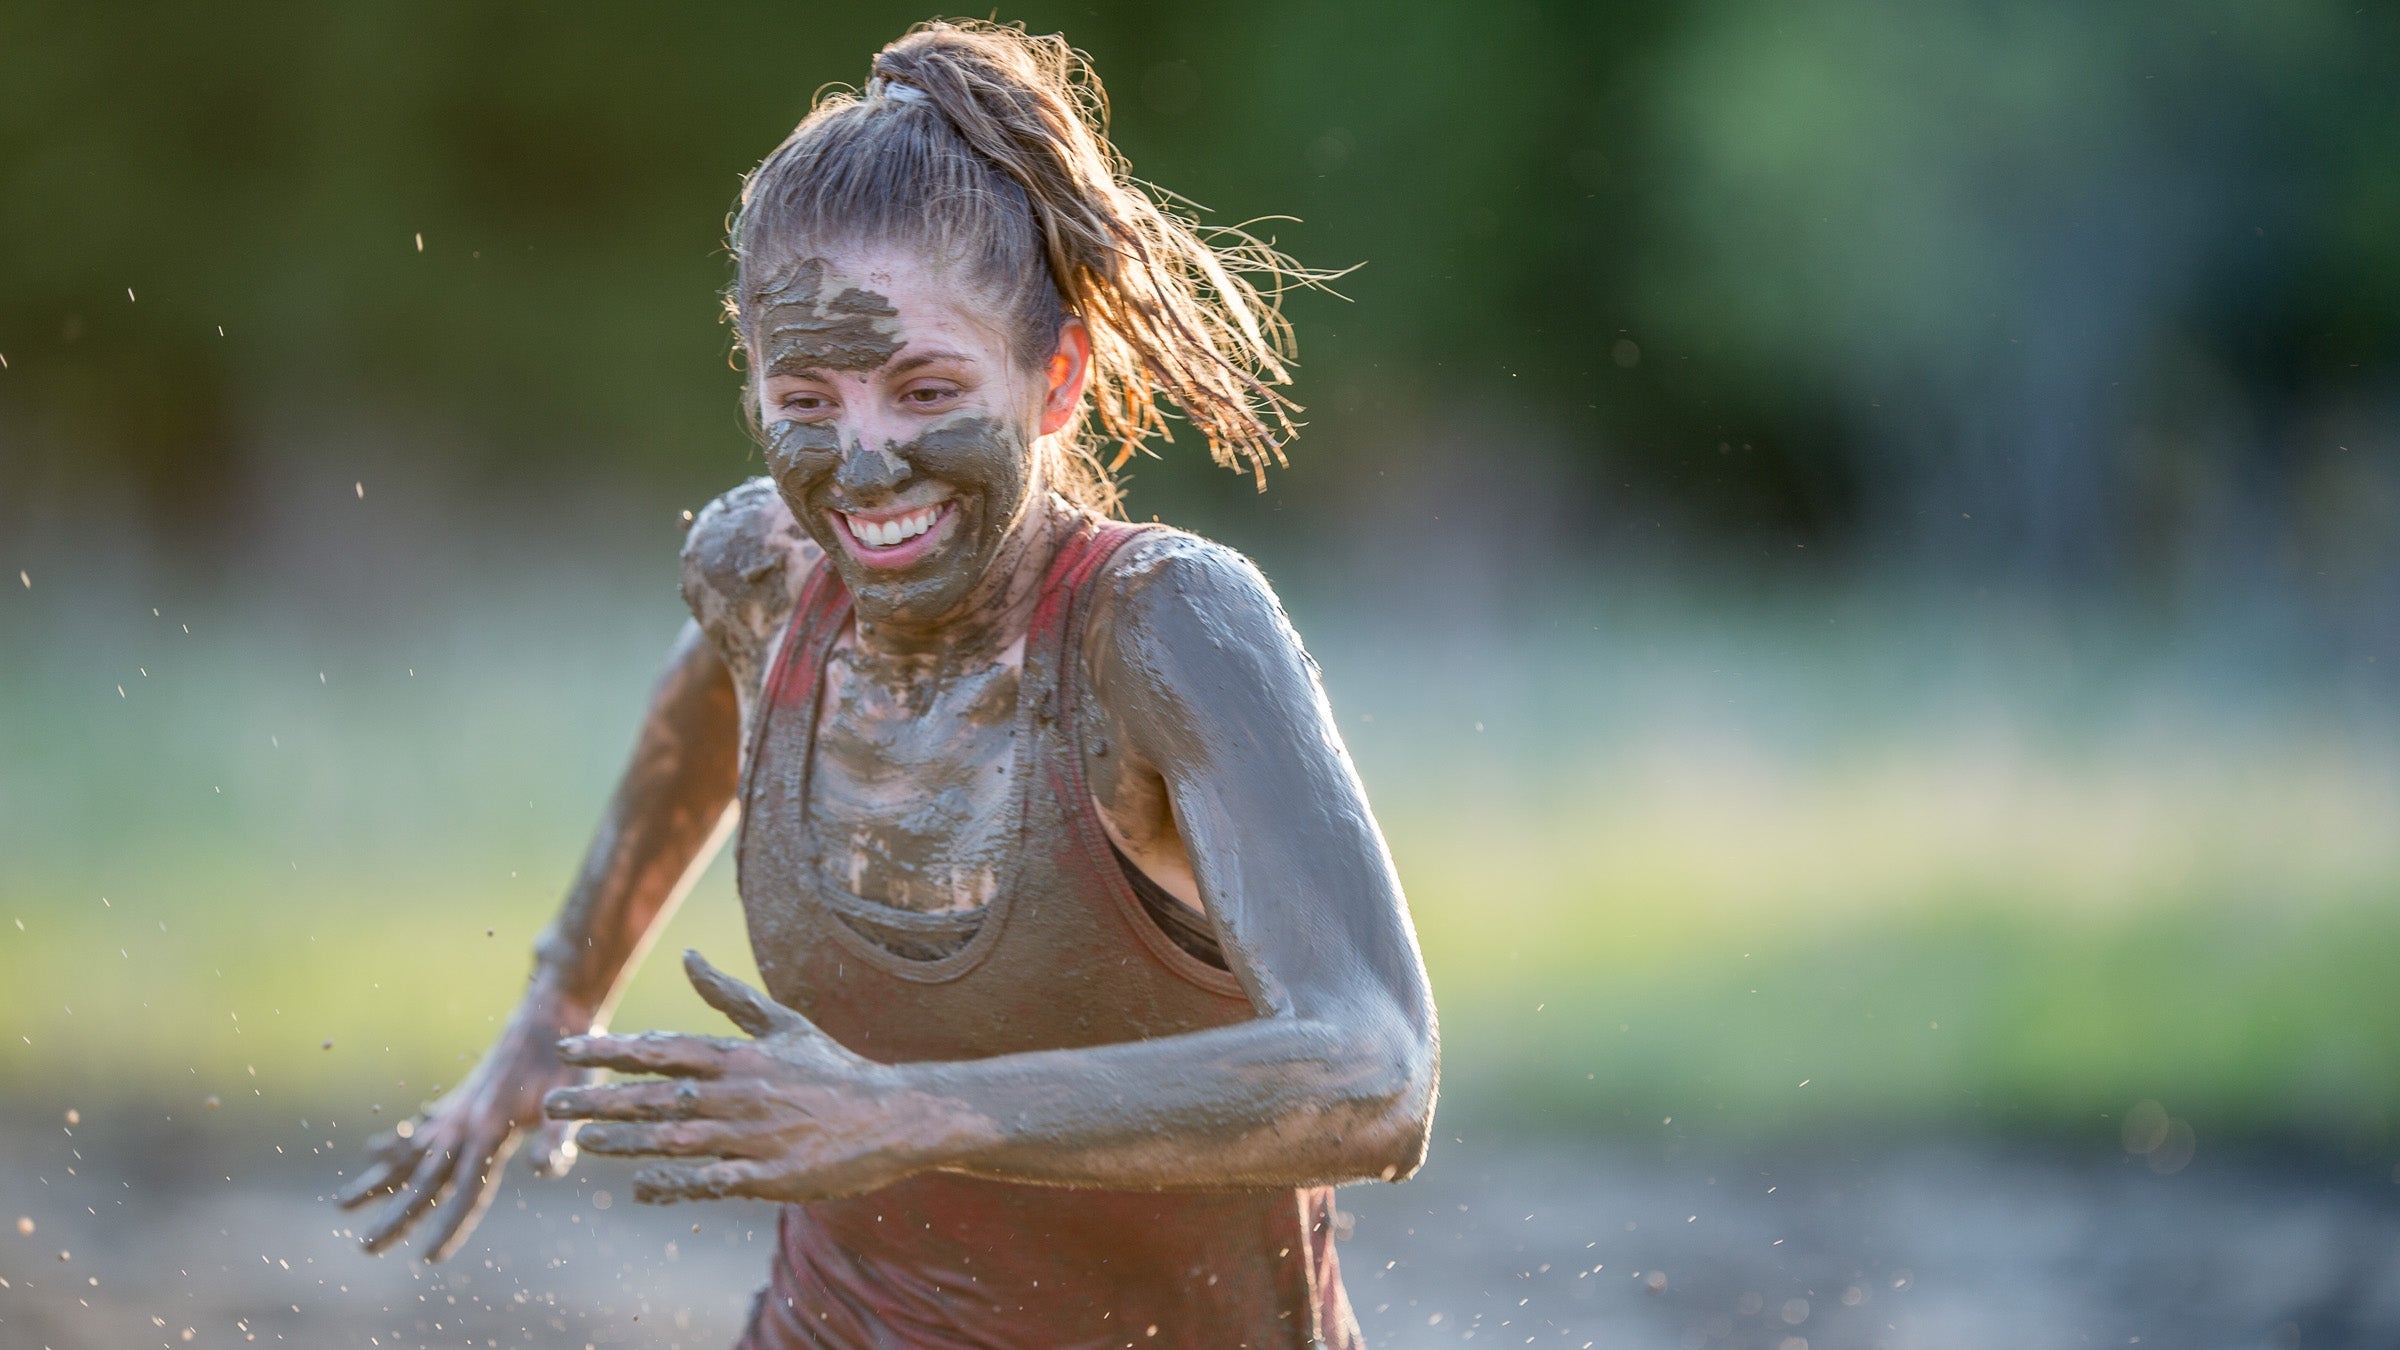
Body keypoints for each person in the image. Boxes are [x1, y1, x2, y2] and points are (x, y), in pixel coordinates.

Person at [337, 20, 1437, 1347]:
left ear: (1057, 382)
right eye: (808, 398)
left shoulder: (1159, 630)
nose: (863, 465)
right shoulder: (760, 576)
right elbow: (710, 711)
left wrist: (900, 1111)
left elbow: (1377, 1073)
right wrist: (555, 1002)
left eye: (925, 389)